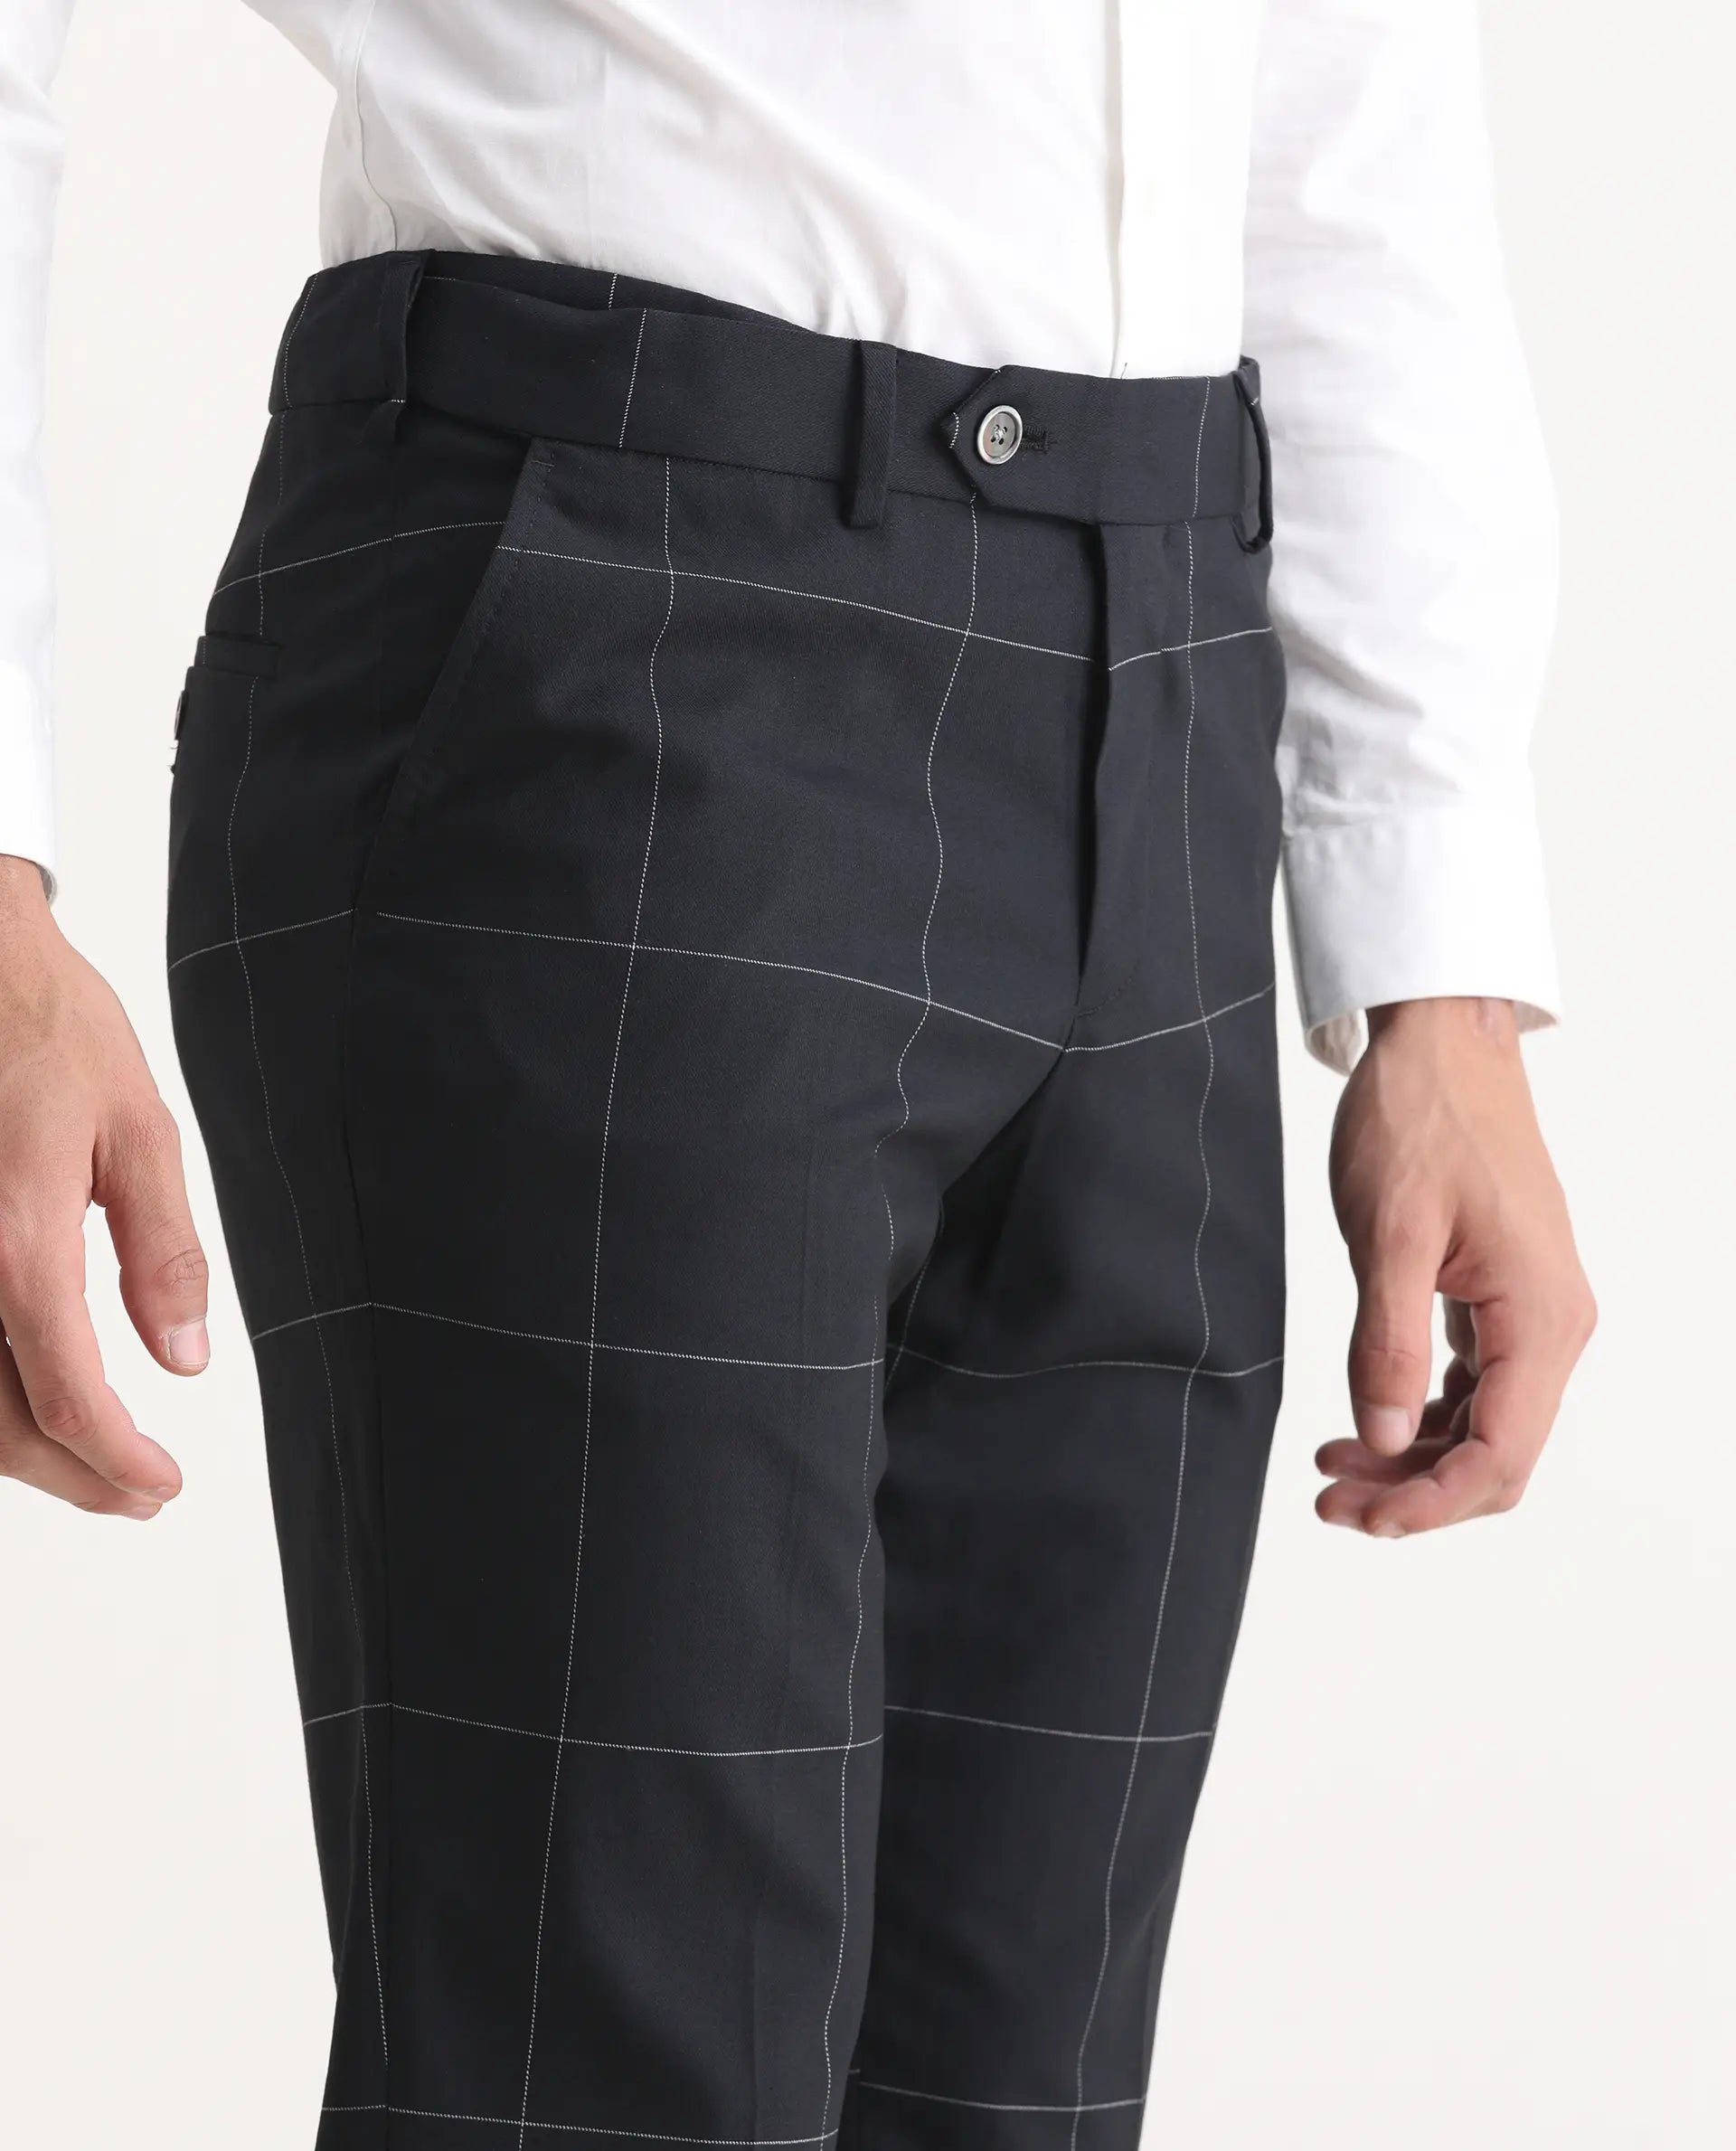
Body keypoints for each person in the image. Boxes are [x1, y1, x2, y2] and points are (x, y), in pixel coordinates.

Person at [0, 4, 1596, 2144]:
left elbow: (1345, 94)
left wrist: (1438, 965)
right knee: (612, 2081)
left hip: (1170, 693)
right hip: (611, 626)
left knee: (1011, 2091)